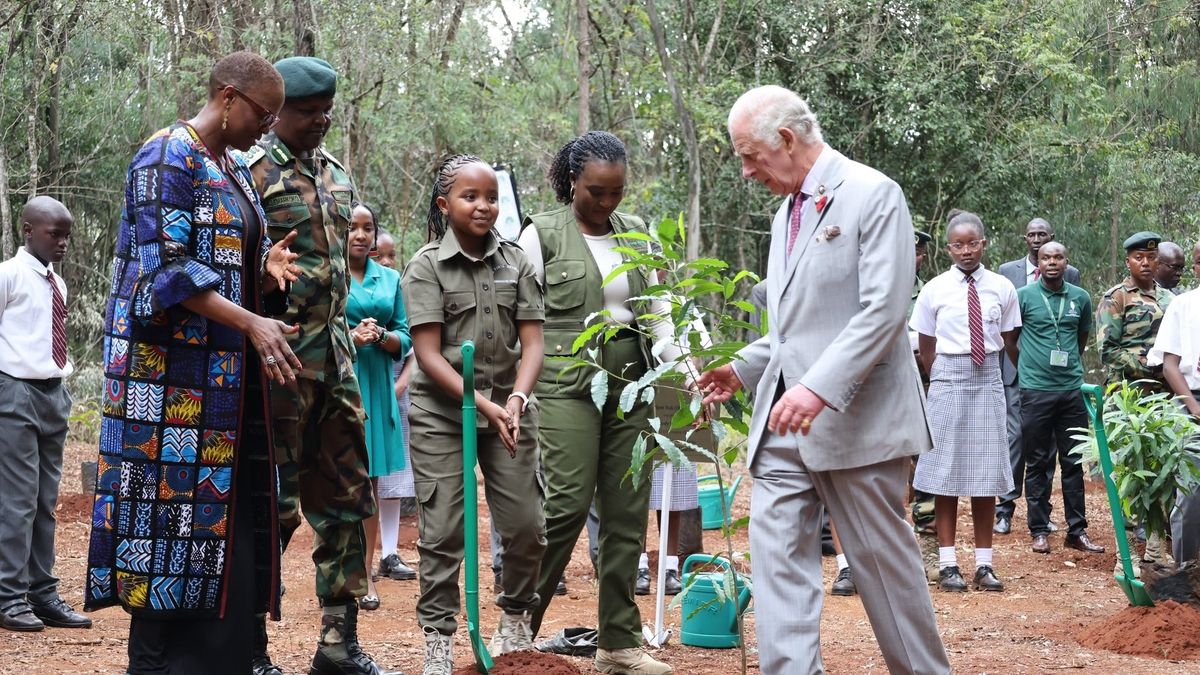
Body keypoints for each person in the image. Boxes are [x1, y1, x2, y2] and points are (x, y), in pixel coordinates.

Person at [701, 86, 950, 674]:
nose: (745, 171)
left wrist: (817, 387)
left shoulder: (873, 194)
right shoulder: (785, 211)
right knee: (778, 566)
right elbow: (795, 328)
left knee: (881, 568)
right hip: (783, 424)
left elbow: (884, 311)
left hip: (855, 420)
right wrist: (743, 368)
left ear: (786, 140)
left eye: (749, 155)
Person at [84, 51, 303, 673]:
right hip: (166, 388)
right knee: (164, 532)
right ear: (229, 97)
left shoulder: (229, 165)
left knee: (213, 526)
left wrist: (263, 269)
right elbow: (165, 270)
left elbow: (219, 255)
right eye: (264, 113)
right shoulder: (165, 157)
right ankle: (153, 666)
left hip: (221, 391)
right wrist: (252, 321)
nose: (268, 126)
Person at [520, 131, 698, 675]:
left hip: (633, 386)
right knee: (567, 503)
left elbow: (660, 315)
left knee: (626, 511)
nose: (607, 202)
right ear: (572, 181)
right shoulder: (540, 235)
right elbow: (519, 319)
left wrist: (689, 370)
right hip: (566, 385)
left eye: (616, 191)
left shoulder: (638, 235)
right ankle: (519, 627)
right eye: (596, 191)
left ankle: (618, 642)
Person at [246, 56, 395, 675]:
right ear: (277, 110)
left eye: (326, 109)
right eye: (308, 111)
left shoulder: (337, 175)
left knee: (345, 501)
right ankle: (248, 647)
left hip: (338, 366)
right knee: (271, 508)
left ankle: (337, 645)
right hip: (278, 369)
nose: (321, 120)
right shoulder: (250, 174)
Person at [402, 155, 546, 674]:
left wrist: (515, 401)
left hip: (508, 410)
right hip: (443, 414)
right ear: (445, 205)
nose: (483, 206)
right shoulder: (425, 266)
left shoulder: (516, 262)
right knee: (442, 530)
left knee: (526, 523)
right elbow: (428, 355)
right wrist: (480, 403)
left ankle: (515, 618)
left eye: (491, 197)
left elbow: (533, 344)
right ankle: (439, 638)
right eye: (470, 197)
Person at [911, 212, 1019, 593]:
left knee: (985, 475)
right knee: (945, 474)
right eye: (958, 244)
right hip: (947, 378)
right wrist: (942, 375)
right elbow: (926, 347)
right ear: (949, 248)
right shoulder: (934, 290)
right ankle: (948, 563)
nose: (966, 250)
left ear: (984, 243)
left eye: (972, 243)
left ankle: (984, 564)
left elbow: (1009, 338)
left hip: (987, 377)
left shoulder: (1003, 287)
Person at [0, 197, 89, 633]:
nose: (63, 243)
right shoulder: (8, 276)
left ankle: (41, 592)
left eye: (67, 235)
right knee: (16, 502)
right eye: (55, 234)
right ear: (28, 229)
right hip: (15, 394)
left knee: (44, 503)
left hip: (54, 394)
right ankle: (8, 596)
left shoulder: (57, 283)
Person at [1012, 242, 1104, 555]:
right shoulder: (1023, 296)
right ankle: (1039, 530)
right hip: (1035, 391)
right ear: (1038, 262)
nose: (1052, 262)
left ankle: (1076, 531)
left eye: (1058, 257)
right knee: (1037, 462)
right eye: (1046, 257)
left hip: (1070, 391)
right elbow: (1010, 341)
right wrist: (1029, 372)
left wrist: (1067, 371)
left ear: (1067, 262)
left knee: (1074, 462)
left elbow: (1080, 339)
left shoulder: (1080, 298)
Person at [994, 217, 1080, 535]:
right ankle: (1004, 508)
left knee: (1049, 447)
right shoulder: (1007, 272)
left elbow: (1074, 333)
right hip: (1018, 374)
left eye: (1042, 234)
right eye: (1031, 234)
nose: (1036, 239)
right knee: (1016, 440)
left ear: (1051, 238)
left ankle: (1042, 512)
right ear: (1025, 239)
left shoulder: (1069, 274)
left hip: (1053, 380)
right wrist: (1022, 363)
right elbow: (1008, 330)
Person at [346, 203, 413, 609]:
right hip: (342, 384)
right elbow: (316, 329)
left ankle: (365, 575)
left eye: (367, 228)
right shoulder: (330, 278)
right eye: (352, 227)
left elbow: (405, 336)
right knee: (336, 484)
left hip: (377, 384)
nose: (360, 234)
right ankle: (336, 574)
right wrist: (349, 338)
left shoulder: (390, 279)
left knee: (369, 486)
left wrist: (382, 336)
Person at [1147, 240, 1200, 564]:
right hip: (1191, 402)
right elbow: (1169, 364)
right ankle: (1186, 570)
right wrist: (1194, 408)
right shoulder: (1183, 305)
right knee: (1190, 490)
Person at [372, 230, 419, 583]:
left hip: (395, 391)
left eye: (391, 255)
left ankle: (389, 553)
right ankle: (361, 555)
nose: (387, 262)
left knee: (392, 475)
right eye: (379, 255)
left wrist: (399, 387)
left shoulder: (396, 288)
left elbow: (413, 346)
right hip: (364, 387)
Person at [1097, 231, 1173, 394]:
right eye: (1138, 258)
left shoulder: (1170, 298)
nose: (1145, 263)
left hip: (1165, 394)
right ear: (1128, 262)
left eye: (1151, 257)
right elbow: (1108, 351)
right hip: (1128, 392)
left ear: (1158, 261)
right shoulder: (1117, 297)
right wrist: (1149, 367)